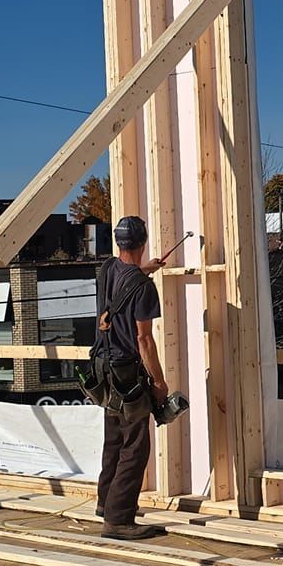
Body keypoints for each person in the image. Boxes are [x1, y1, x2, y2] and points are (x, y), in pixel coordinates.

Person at [94, 213, 169, 540]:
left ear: (119, 242)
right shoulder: (144, 289)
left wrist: (144, 269)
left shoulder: (108, 268)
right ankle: (119, 519)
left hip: (104, 367)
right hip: (128, 370)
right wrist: (158, 380)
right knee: (136, 444)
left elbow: (125, 275)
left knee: (114, 437)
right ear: (143, 241)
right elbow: (144, 339)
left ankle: (105, 503)